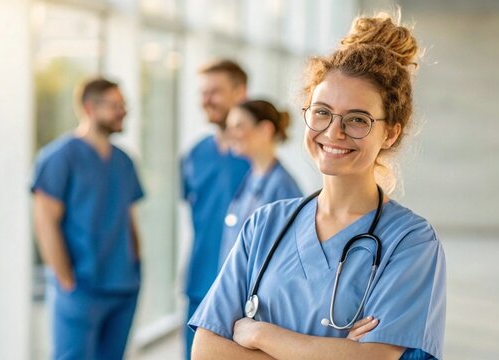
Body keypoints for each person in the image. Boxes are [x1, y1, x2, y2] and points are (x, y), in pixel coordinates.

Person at [189, 13, 446, 360]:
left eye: (357, 119)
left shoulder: (410, 242)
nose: (334, 132)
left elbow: (375, 358)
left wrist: (260, 333)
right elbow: (207, 350)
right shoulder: (265, 225)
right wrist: (335, 351)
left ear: (390, 132)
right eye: (322, 112)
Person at [31, 78, 145, 359]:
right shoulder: (59, 158)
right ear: (89, 108)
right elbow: (45, 222)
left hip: (123, 285)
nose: (123, 111)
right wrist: (66, 279)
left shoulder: (124, 161)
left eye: (124, 105)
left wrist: (137, 263)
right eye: (115, 105)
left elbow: (129, 218)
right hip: (81, 286)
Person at [181, 59, 251, 359]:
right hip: (200, 284)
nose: (206, 100)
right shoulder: (194, 155)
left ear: (240, 93)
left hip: (246, 294)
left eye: (215, 92)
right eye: (203, 93)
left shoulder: (257, 159)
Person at [219, 100, 303, 267]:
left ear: (265, 130)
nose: (230, 134)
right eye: (229, 127)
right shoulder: (250, 178)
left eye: (239, 126)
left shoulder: (283, 188)